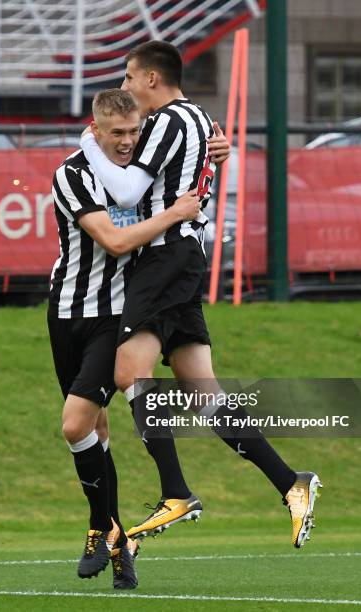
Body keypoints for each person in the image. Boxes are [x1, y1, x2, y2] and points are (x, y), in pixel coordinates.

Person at [80, 41, 322, 549]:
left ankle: (176, 491)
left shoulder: (170, 119)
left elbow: (126, 192)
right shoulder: (198, 119)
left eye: (128, 76)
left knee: (128, 371)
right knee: (203, 392)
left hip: (166, 257)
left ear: (150, 79)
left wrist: (86, 141)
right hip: (183, 258)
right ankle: (291, 483)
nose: (124, 87)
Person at [48, 88, 203, 588]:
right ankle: (118, 545)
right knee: (97, 431)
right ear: (95, 131)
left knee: (75, 426)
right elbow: (114, 240)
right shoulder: (73, 173)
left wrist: (215, 152)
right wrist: (174, 214)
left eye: (135, 132)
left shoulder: (144, 172)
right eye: (117, 133)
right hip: (67, 313)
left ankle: (100, 526)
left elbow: (189, 165)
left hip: (115, 319)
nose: (128, 142)